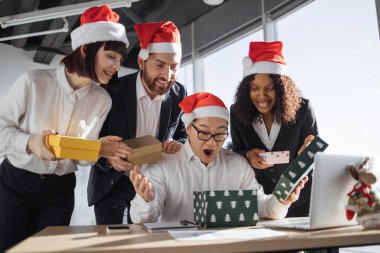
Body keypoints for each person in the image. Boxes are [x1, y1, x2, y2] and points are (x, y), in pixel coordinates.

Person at [0, 4, 130, 252]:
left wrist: (96, 150)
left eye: (120, 60)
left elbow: (82, 162)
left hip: (59, 190)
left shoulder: (102, 100)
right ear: (85, 49)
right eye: (111, 56)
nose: (117, 66)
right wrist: (29, 142)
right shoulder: (33, 82)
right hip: (15, 183)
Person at [129, 92, 307, 223]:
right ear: (189, 129)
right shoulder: (162, 163)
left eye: (221, 134)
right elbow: (142, 219)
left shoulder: (238, 165)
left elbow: (263, 208)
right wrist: (147, 199)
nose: (212, 142)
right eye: (204, 133)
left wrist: (282, 200)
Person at [87, 21, 187, 225]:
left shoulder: (179, 93)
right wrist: (108, 158)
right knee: (112, 243)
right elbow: (90, 137)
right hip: (113, 181)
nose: (167, 76)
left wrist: (178, 144)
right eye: (159, 65)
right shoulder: (111, 90)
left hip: (153, 183)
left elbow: (183, 134)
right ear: (141, 62)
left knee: (145, 242)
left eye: (174, 67)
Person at [230, 41, 318, 217]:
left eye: (269, 89)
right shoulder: (237, 112)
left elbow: (314, 151)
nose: (261, 96)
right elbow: (235, 152)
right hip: (263, 202)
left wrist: (309, 152)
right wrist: (247, 155)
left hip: (302, 200)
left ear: (282, 89)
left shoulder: (303, 109)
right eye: (254, 89)